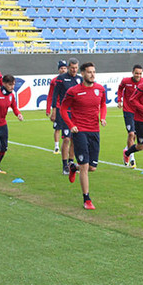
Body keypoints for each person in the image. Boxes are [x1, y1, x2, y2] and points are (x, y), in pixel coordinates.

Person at [60, 62, 107, 210]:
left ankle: (73, 167)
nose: (92, 74)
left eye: (94, 72)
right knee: (85, 167)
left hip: (95, 131)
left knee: (92, 168)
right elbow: (63, 108)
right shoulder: (74, 91)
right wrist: (70, 124)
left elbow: (103, 104)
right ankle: (87, 199)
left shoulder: (100, 89)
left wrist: (103, 117)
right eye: (89, 72)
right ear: (82, 74)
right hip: (79, 131)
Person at [50, 58, 81, 175]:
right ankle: (64, 166)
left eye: (76, 68)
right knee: (67, 138)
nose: (74, 70)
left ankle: (71, 164)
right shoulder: (61, 79)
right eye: (72, 68)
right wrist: (54, 110)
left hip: (76, 113)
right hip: (65, 112)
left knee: (74, 139)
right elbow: (55, 95)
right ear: (68, 67)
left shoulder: (79, 79)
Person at [117, 64, 143, 168]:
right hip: (128, 110)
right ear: (132, 73)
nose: (138, 75)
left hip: (139, 111)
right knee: (131, 134)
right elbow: (120, 88)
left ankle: (126, 150)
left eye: (140, 73)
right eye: (136, 73)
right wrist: (119, 100)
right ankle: (132, 158)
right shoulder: (126, 81)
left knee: (137, 136)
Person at [46, 60, 68, 154]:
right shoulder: (54, 81)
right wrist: (49, 109)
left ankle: (66, 147)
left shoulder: (71, 79)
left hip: (68, 108)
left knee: (68, 128)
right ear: (58, 70)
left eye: (64, 68)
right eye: (61, 68)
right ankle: (56, 146)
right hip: (58, 107)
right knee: (57, 128)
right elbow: (51, 95)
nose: (63, 70)